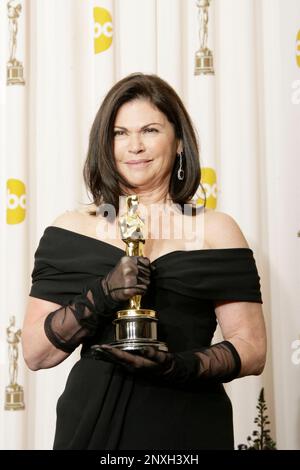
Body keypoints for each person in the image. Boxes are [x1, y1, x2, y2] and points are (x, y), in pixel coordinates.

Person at [22, 73, 266, 450]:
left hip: (189, 424)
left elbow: (251, 348)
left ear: (179, 140)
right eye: (120, 133)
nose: (134, 146)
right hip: (93, 423)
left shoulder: (217, 229)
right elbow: (37, 353)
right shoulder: (71, 230)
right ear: (105, 144)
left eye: (150, 130)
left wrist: (179, 366)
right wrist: (103, 294)